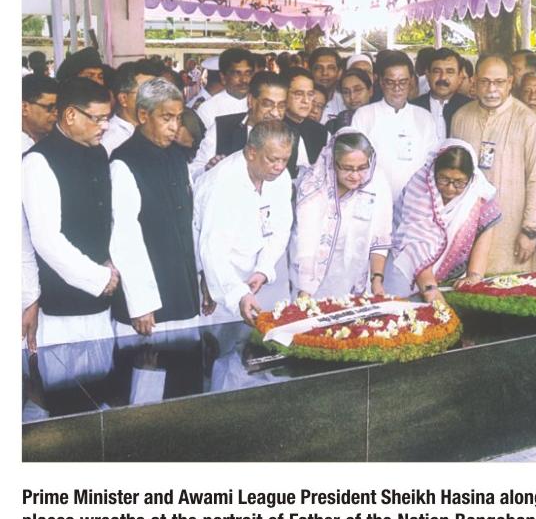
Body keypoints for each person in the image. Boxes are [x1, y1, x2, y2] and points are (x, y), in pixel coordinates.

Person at [22, 77, 118, 346]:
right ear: (71, 115)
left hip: (103, 296)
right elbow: (46, 239)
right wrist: (98, 277)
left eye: (107, 118)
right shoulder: (39, 161)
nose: (105, 126)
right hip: (62, 304)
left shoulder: (98, 153)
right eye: (98, 119)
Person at [109, 78, 200, 337]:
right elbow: (124, 236)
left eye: (178, 118)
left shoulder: (177, 155)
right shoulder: (124, 161)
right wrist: (141, 303)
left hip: (183, 287)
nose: (174, 127)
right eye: (166, 118)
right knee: (146, 361)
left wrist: (202, 278)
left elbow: (191, 222)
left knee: (188, 358)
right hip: (147, 303)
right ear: (143, 115)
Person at [451, 54, 536, 275]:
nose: (491, 89)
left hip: (511, 232)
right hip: (467, 230)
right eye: (485, 82)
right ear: (474, 81)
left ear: (510, 82)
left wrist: (529, 230)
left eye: (499, 82)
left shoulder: (529, 122)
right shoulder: (461, 118)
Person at [193, 121, 294, 326]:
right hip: (217, 281)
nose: (279, 167)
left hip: (258, 276)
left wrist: (263, 269)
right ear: (251, 153)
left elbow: (281, 228)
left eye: (285, 159)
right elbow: (212, 250)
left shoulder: (281, 177)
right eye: (272, 159)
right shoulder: (222, 183)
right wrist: (238, 294)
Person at [385, 139, 501, 303]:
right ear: (434, 173)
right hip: (406, 271)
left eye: (459, 182)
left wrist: (474, 276)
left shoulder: (479, 193)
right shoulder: (419, 190)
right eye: (444, 179)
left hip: (451, 281)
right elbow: (414, 246)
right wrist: (431, 290)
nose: (450, 188)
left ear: (471, 178)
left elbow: (484, 235)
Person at [289, 129, 392, 298]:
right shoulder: (313, 186)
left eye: (362, 168)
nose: (355, 176)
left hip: (354, 277)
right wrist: (305, 290)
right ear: (333, 162)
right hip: (311, 278)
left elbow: (381, 236)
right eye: (347, 168)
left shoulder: (377, 182)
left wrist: (377, 279)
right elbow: (305, 241)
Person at [352, 51, 438, 201]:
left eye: (403, 82)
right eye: (391, 82)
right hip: (372, 200)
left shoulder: (424, 118)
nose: (397, 88)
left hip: (414, 202)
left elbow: (431, 164)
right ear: (381, 82)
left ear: (411, 81)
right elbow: (355, 163)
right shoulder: (364, 115)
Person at [189, 71, 290, 180]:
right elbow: (193, 174)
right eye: (267, 104)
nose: (275, 113)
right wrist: (208, 169)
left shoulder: (292, 136)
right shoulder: (222, 128)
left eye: (281, 106)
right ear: (250, 100)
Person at [22, 74, 59, 352]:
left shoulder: (42, 146)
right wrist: (29, 298)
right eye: (48, 107)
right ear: (24, 107)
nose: (55, 114)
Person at [101, 59, 160, 156]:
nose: (156, 98)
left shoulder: (159, 130)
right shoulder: (111, 142)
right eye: (147, 92)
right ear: (123, 99)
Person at [411, 48, 471, 140]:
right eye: (437, 71)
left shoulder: (470, 108)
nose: (443, 77)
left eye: (450, 72)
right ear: (427, 75)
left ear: (459, 77)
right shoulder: (412, 108)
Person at [195, 47, 254, 132]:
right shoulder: (208, 109)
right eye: (237, 73)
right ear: (223, 77)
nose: (244, 80)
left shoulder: (259, 103)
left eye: (248, 73)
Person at [283, 68, 328, 175]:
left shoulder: (320, 132)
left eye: (310, 94)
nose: (306, 101)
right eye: (299, 94)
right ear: (284, 94)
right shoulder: (273, 130)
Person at [327, 68, 374, 134]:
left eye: (357, 90)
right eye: (346, 92)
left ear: (370, 91)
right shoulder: (334, 125)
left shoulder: (382, 118)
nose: (352, 97)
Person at [309, 47, 345, 125]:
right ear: (310, 71)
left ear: (339, 73)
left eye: (331, 68)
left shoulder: (345, 103)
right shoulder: (302, 101)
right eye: (319, 68)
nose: (324, 73)